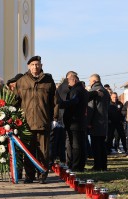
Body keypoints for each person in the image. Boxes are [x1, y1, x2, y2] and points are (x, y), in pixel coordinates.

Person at [13, 56, 58, 184]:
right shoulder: (22, 81)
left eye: (37, 64)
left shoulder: (48, 80)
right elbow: (15, 101)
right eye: (32, 64)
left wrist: (54, 118)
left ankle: (42, 174)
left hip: (43, 121)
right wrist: (14, 120)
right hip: (26, 123)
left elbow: (55, 102)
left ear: (41, 65)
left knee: (43, 151)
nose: (35, 67)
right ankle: (29, 175)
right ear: (28, 66)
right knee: (28, 151)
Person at [58, 71, 89, 172]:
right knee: (81, 144)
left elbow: (74, 101)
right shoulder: (83, 90)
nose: (68, 84)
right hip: (80, 122)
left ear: (74, 80)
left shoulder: (76, 90)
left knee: (76, 146)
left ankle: (76, 166)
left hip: (75, 122)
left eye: (69, 82)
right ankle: (80, 165)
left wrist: (62, 104)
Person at [87, 74, 110, 171]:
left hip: (95, 122)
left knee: (96, 145)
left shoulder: (93, 91)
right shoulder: (106, 92)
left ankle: (97, 165)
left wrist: (88, 121)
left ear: (93, 81)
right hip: (103, 121)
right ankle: (103, 165)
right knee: (102, 144)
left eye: (90, 81)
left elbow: (91, 108)